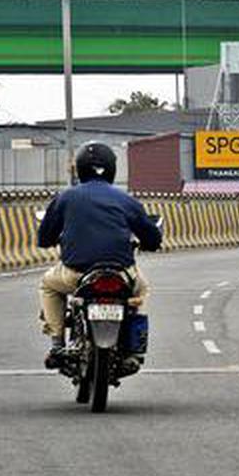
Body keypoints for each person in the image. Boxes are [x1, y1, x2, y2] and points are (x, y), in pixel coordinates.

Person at [36, 142, 162, 368]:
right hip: (122, 275)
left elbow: (44, 237)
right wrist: (150, 243)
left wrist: (55, 239)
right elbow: (152, 237)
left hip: (75, 275)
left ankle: (56, 343)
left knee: (48, 284)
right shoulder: (126, 200)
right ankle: (132, 348)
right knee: (141, 289)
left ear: (80, 169)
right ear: (112, 169)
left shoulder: (66, 197)